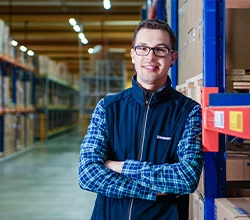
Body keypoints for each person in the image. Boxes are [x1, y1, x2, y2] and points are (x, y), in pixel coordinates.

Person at [79, 18, 203, 220]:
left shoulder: (188, 112)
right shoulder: (108, 108)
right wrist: (151, 191)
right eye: (143, 48)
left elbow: (186, 177)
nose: (151, 57)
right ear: (133, 55)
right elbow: (88, 174)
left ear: (173, 57)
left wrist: (121, 166)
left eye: (160, 50)